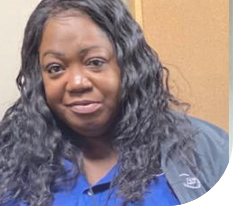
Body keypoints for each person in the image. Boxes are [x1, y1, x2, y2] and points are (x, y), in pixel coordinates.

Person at [0, 0, 228, 206]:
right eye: (56, 68)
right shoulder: (8, 159)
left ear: (129, 65)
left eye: (95, 62)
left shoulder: (209, 151)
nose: (77, 83)